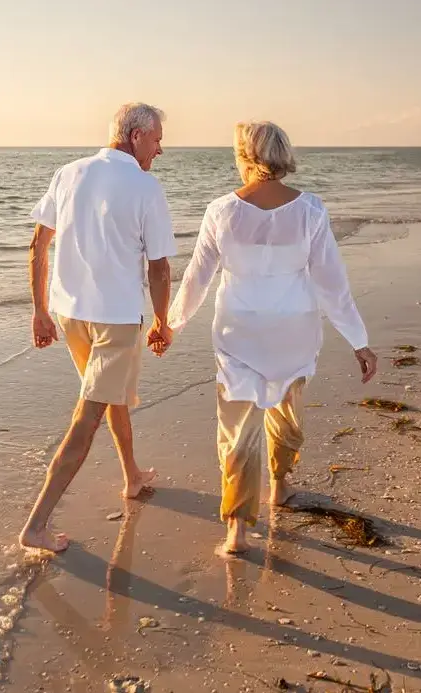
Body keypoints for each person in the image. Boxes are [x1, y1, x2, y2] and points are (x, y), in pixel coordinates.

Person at [166, 121, 377, 555]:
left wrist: (170, 325)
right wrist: (359, 340)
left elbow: (197, 280)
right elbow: (331, 283)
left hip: (238, 331)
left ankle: (237, 531)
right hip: (293, 331)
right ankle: (279, 487)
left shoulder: (221, 210)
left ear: (245, 156)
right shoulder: (311, 210)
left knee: (238, 430)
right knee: (286, 412)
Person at [19, 102, 178, 554]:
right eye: (157, 139)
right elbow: (160, 268)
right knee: (87, 416)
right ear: (135, 136)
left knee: (111, 397)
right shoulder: (146, 188)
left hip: (70, 315)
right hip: (115, 320)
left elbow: (37, 246)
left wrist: (40, 311)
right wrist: (164, 321)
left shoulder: (68, 173)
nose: (161, 149)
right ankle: (36, 525)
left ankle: (131, 476)